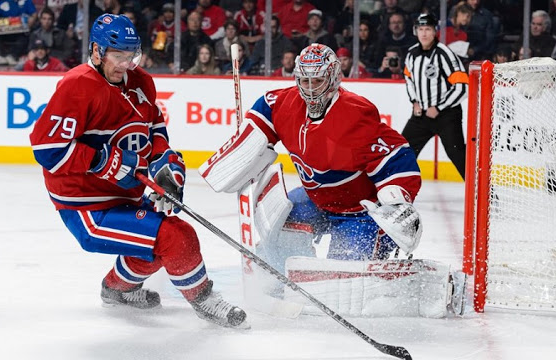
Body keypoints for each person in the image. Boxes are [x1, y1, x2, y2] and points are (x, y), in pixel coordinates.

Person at [199, 43, 466, 318]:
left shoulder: (355, 114)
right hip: (317, 200)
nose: (311, 88)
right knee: (280, 223)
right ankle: (283, 282)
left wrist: (396, 198)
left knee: (344, 284)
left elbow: (398, 156)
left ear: (334, 78)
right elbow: (262, 116)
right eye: (305, 80)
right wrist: (243, 152)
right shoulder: (283, 103)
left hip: (360, 212)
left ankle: (429, 285)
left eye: (318, 80)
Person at [29, 14, 247, 329]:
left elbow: (154, 128)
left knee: (155, 247)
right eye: (118, 56)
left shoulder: (142, 81)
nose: (125, 63)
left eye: (131, 55)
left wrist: (165, 166)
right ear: (96, 51)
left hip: (125, 195)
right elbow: (46, 149)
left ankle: (117, 289)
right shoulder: (77, 86)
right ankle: (205, 301)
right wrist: (105, 161)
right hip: (86, 206)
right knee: (176, 237)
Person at [402, 13, 468, 180]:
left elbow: (462, 87)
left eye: (428, 29)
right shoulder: (411, 54)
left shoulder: (444, 53)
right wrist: (414, 101)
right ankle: (398, 190)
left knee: (458, 155)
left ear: (435, 32)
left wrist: (439, 107)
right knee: (403, 152)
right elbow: (408, 78)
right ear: (415, 31)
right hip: (421, 115)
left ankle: (482, 196)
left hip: (447, 116)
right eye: (421, 29)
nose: (424, 33)